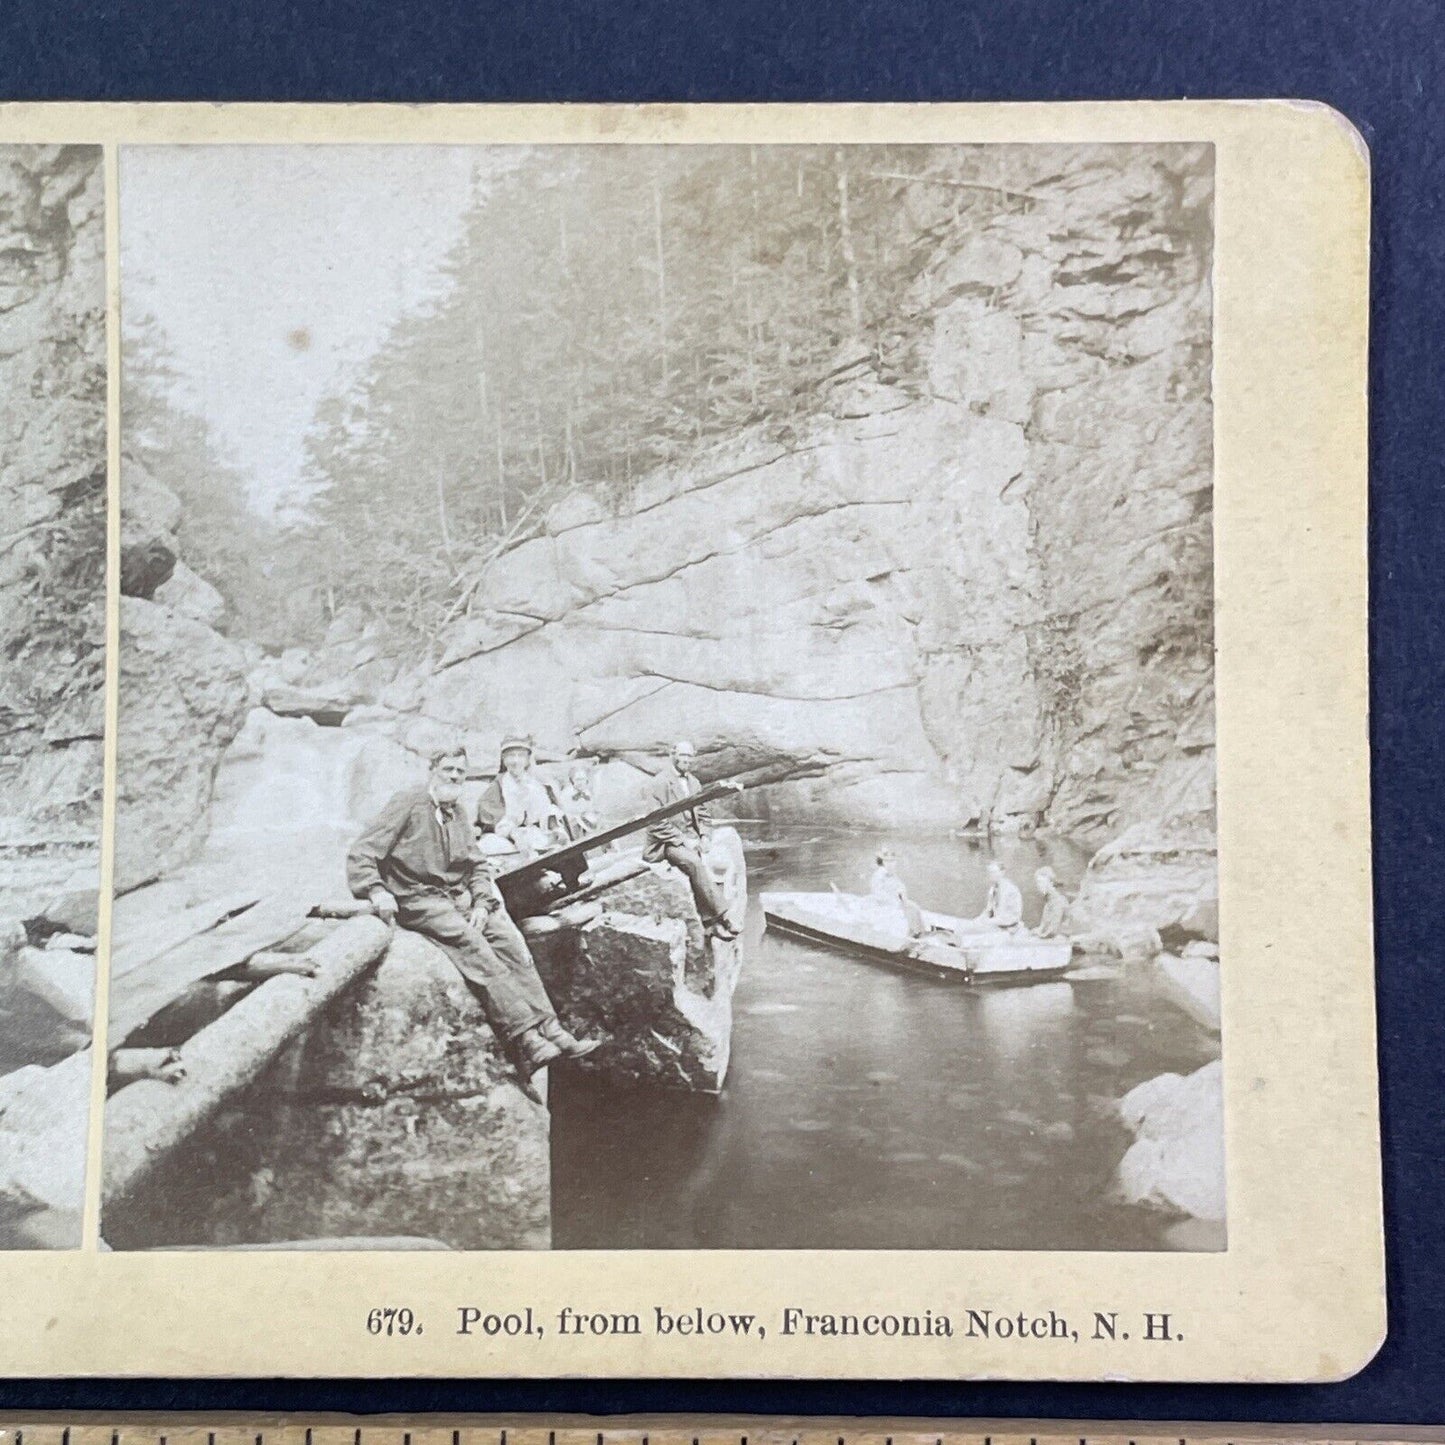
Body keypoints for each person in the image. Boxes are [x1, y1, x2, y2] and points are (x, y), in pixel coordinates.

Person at [347, 746, 600, 1086]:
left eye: (460, 772)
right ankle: (525, 1036)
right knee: (470, 942)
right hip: (417, 898)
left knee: (506, 936)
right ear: (432, 769)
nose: (453, 776)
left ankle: (551, 1027)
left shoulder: (458, 813)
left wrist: (482, 902)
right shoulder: (408, 803)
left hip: (456, 897)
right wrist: (376, 890)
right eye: (448, 769)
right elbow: (363, 852)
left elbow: (478, 865)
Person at [643, 740, 737, 941]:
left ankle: (712, 924)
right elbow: (655, 823)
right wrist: (685, 841)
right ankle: (721, 917)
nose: (686, 760)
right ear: (673, 755)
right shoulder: (658, 782)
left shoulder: (694, 782)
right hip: (667, 842)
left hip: (693, 837)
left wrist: (704, 835)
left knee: (715, 861)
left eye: (689, 756)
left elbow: (703, 813)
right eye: (682, 755)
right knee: (694, 863)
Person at [477, 734, 566, 858]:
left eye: (521, 756)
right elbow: (491, 819)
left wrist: (556, 829)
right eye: (511, 756)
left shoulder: (537, 784)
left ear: (527, 759)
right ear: (503, 759)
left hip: (539, 835)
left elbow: (549, 810)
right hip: (510, 840)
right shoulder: (497, 787)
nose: (515, 761)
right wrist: (514, 834)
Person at [870, 847, 925, 937]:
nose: (891, 864)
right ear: (882, 862)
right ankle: (910, 934)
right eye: (888, 861)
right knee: (903, 912)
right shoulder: (879, 875)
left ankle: (918, 932)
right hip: (882, 904)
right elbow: (878, 893)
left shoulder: (892, 874)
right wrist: (895, 901)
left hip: (894, 901)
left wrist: (903, 898)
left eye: (893, 861)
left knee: (914, 907)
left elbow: (900, 886)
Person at [557, 762, 600, 839]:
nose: (580, 782)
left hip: (587, 816)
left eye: (582, 779)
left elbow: (591, 804)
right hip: (573, 819)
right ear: (572, 781)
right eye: (577, 780)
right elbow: (566, 808)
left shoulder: (587, 791)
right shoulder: (566, 793)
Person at [976, 860, 1024, 928]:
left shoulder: (1011, 889)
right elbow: (989, 910)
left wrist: (990, 921)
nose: (992, 875)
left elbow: (1013, 915)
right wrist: (979, 919)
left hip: (1009, 925)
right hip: (997, 923)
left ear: (1002, 872)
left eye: (994, 872)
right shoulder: (993, 889)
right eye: (990, 872)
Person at [1034, 866, 1074, 938]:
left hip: (1063, 938)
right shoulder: (1049, 902)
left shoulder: (1058, 900)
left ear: (1051, 883)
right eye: (1038, 883)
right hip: (1053, 937)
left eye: (1042, 882)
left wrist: (1040, 935)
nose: (1039, 886)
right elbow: (1043, 926)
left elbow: (1053, 929)